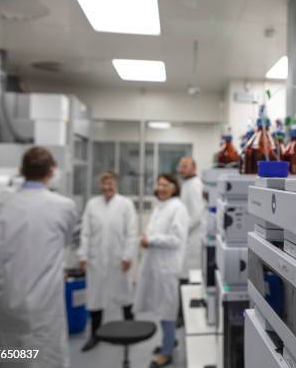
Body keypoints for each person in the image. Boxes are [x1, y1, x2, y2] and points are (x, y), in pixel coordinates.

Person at [0, 147, 77, 368]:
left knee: (14, 357)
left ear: (21, 170)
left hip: (8, 301)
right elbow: (65, 242)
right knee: (48, 356)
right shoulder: (64, 207)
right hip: (46, 303)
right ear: (51, 171)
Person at [78, 171, 138, 352]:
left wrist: (128, 256)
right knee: (95, 298)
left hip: (119, 258)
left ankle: (131, 331)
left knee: (125, 295)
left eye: (110, 183)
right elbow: (85, 232)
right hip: (97, 259)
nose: (107, 187)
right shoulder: (92, 204)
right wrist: (83, 255)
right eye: (104, 183)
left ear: (116, 184)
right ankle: (95, 335)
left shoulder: (125, 204)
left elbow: (132, 232)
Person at [134, 173, 188, 368]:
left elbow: (176, 239)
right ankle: (169, 340)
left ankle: (166, 353)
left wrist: (151, 240)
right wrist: (147, 239)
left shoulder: (178, 208)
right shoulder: (160, 207)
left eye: (166, 185)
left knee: (167, 309)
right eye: (159, 185)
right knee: (162, 308)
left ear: (174, 187)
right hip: (157, 265)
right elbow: (153, 232)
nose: (162, 188)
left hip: (167, 267)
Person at [176, 157, 205, 327]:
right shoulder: (187, 184)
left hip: (192, 240)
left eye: (185, 166)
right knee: (184, 278)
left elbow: (197, 213)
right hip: (187, 238)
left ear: (194, 167)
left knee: (189, 279)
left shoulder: (194, 185)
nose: (182, 168)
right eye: (181, 166)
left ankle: (186, 316)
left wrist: (181, 231)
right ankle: (183, 313)